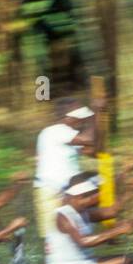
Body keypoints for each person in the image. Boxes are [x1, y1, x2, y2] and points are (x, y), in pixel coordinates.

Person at [45, 170, 133, 264]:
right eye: (97, 194)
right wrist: (118, 231)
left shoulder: (82, 211)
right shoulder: (63, 216)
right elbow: (83, 241)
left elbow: (113, 211)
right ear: (82, 196)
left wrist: (130, 191)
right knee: (128, 261)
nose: (100, 197)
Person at [34, 97, 100, 233]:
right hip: (51, 191)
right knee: (53, 235)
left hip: (69, 191)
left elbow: (93, 150)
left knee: (75, 231)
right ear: (66, 117)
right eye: (79, 117)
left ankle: (107, 230)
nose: (81, 121)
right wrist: (96, 114)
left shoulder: (69, 135)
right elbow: (89, 139)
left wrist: (100, 119)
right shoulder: (55, 131)